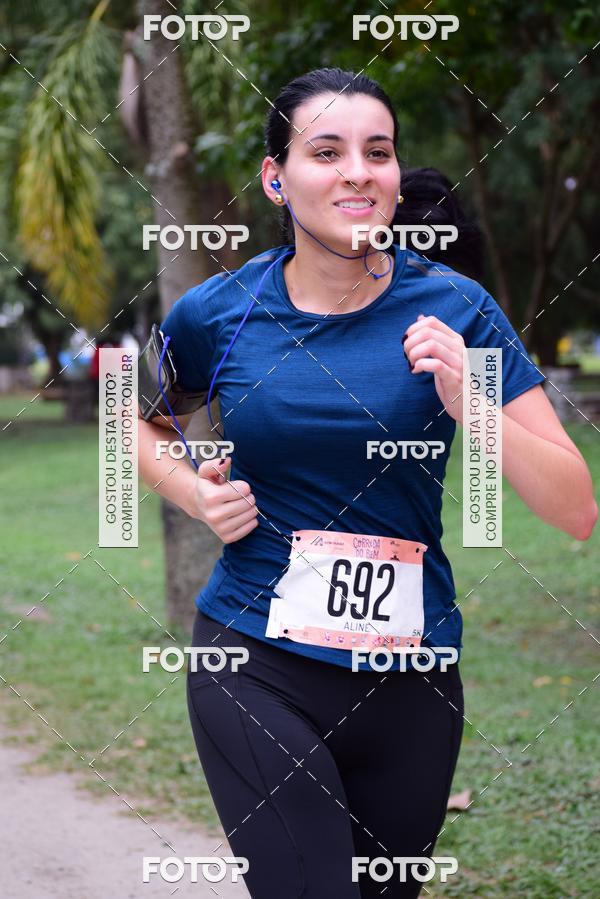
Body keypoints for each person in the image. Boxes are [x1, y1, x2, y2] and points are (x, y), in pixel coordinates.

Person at [136, 68, 597, 898]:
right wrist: (193, 492)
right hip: (256, 658)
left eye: (376, 152)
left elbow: (575, 508)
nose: (358, 170)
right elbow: (129, 418)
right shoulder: (219, 312)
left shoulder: (458, 310)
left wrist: (475, 401)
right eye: (327, 151)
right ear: (277, 177)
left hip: (413, 680)